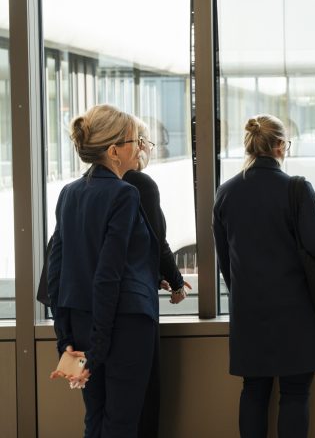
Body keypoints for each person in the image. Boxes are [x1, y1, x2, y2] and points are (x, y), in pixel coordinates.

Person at [213, 114, 315, 438]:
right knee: (295, 393)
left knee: (253, 391)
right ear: (280, 146)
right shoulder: (297, 188)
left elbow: (225, 262)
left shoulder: (226, 193)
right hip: (295, 311)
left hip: (249, 313)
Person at [47, 104, 160, 437]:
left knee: (94, 418)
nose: (139, 148)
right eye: (134, 141)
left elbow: (56, 271)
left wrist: (65, 340)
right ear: (114, 151)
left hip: (81, 323)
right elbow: (108, 274)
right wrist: (96, 351)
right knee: (121, 423)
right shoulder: (125, 194)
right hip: (124, 324)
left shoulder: (69, 193)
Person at [124, 117, 192, 438]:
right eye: (149, 143)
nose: (150, 150)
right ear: (138, 145)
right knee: (144, 396)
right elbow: (156, 241)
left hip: (99, 308)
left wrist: (155, 276)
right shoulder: (140, 184)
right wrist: (176, 282)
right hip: (135, 307)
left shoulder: (87, 185)